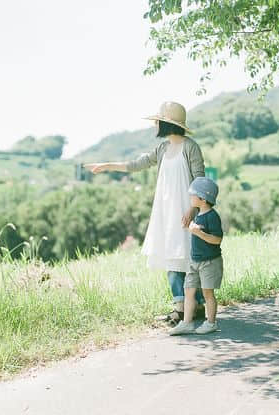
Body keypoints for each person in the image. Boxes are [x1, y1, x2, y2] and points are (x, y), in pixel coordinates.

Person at [84, 102, 205, 326]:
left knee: (188, 258)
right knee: (171, 256)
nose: (155, 125)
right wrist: (107, 165)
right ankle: (183, 306)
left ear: (167, 123)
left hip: (186, 210)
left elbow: (200, 181)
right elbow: (135, 165)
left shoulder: (190, 147)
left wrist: (193, 208)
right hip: (166, 211)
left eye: (157, 121)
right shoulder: (162, 149)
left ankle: (191, 306)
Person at [169, 177, 223, 335]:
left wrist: (197, 232)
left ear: (203, 198)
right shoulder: (198, 214)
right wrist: (191, 229)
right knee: (189, 291)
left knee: (207, 292)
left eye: (192, 195)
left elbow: (217, 239)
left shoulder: (212, 216)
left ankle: (211, 323)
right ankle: (187, 323)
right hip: (195, 261)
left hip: (209, 262)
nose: (190, 198)